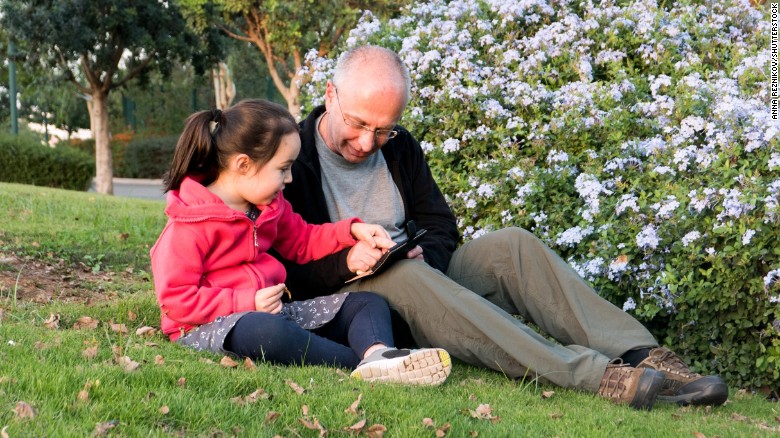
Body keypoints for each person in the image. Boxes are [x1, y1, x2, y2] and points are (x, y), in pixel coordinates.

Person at [276, 45, 729, 409]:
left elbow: (438, 224)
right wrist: (348, 262)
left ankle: (642, 354)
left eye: (382, 130)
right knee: (405, 274)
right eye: (358, 124)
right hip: (354, 305)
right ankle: (597, 376)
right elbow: (284, 270)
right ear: (331, 95)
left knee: (511, 246)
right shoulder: (292, 159)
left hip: (418, 272)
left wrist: (424, 255)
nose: (367, 142)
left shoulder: (401, 148)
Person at [149, 99, 452, 385]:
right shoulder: (188, 225)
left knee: (366, 303)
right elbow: (175, 302)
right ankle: (360, 363)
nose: (290, 178)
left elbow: (303, 240)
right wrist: (246, 303)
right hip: (213, 326)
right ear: (243, 164)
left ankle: (378, 355)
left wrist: (352, 231)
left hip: (273, 311)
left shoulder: (269, 207)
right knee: (265, 331)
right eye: (283, 168)